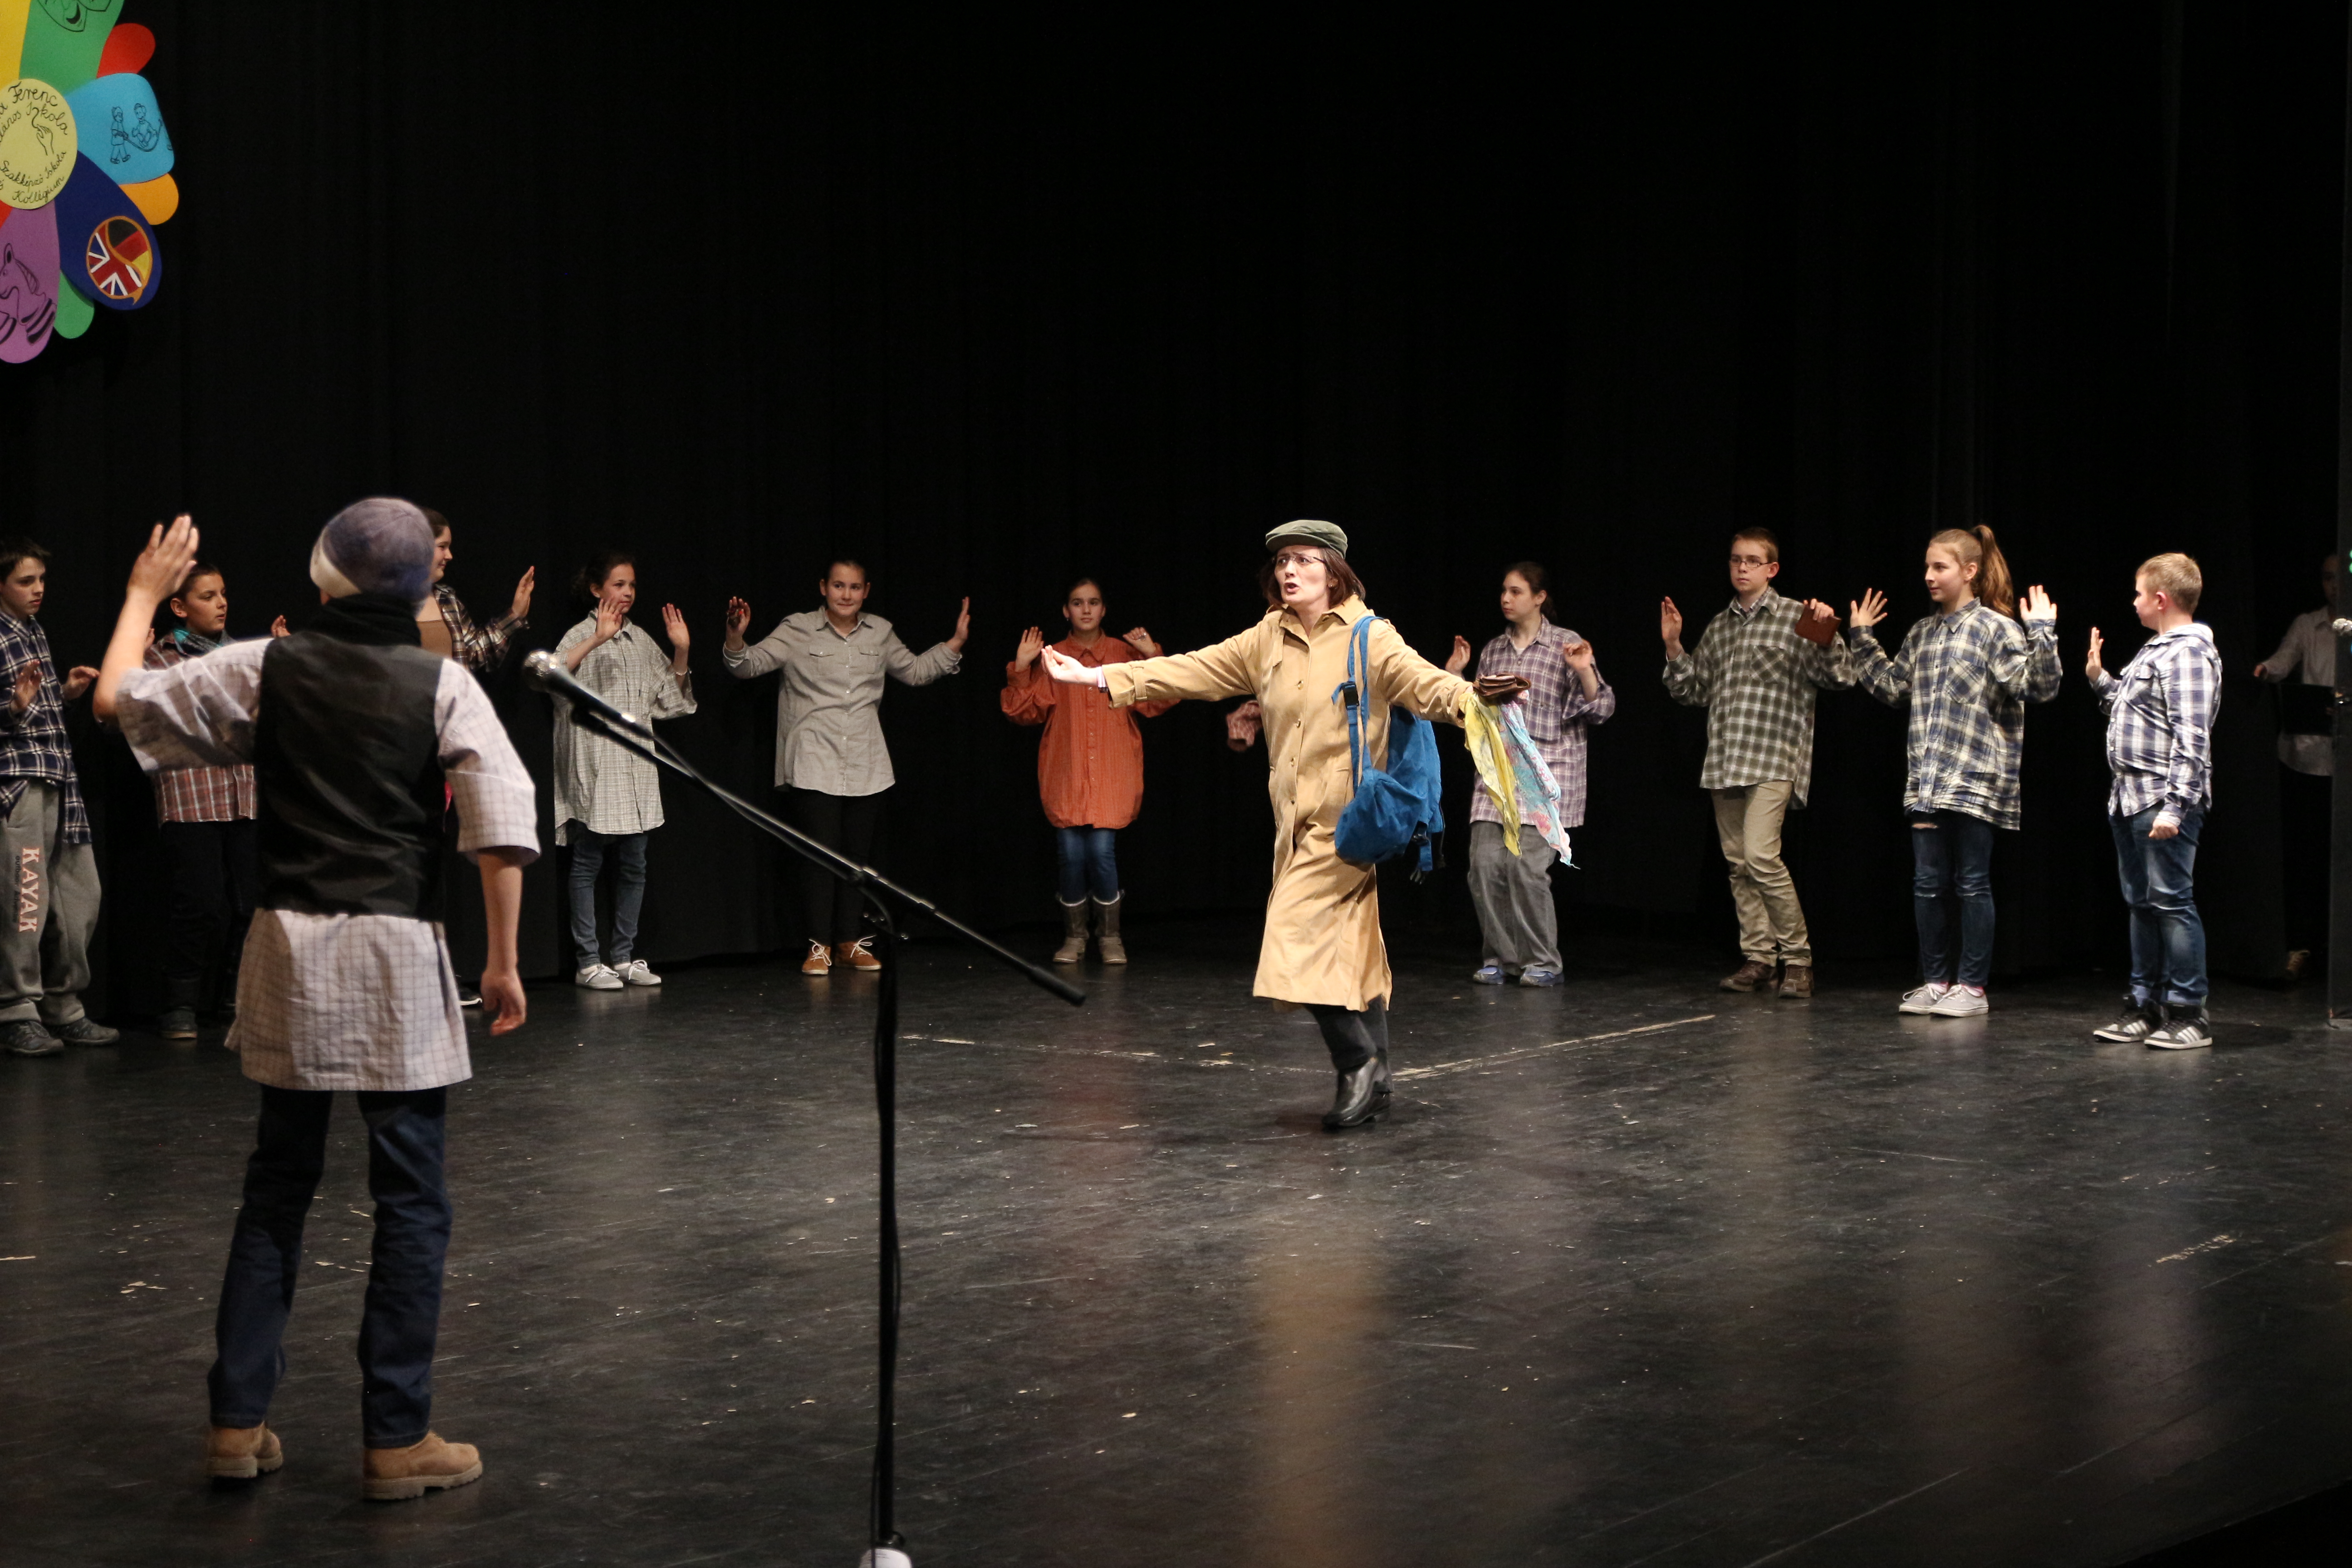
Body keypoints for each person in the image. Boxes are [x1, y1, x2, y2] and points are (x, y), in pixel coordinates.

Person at [94, 502, 536, 1502]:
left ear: (324, 578)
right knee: (411, 1198)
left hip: (291, 946)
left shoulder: (268, 665)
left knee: (278, 1186)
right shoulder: (444, 682)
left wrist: (141, 596)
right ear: (422, 586)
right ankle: (395, 1439)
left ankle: (236, 1421)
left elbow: (119, 699)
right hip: (394, 951)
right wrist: (503, 961)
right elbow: (500, 826)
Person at [1040, 521, 1521, 1130]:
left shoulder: (1369, 636)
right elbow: (1195, 670)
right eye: (1282, 562)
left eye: (1303, 560)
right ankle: (1378, 1082)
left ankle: (1358, 1064)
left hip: (1345, 826)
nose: (1289, 571)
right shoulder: (1269, 636)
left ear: (1334, 571)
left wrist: (1473, 698)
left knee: (1291, 937)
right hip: (1291, 825)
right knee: (1353, 952)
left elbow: (1423, 683)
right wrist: (1096, 677)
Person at [1847, 524, 2062, 1017]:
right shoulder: (1922, 633)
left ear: (1969, 571)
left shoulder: (1995, 629)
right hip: (1928, 780)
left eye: (1939, 567)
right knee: (1927, 884)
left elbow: (2039, 688)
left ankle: (1972, 987)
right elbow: (1893, 688)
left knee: (1972, 883)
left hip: (1976, 780)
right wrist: (1862, 639)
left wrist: (2042, 633)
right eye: (1927, 566)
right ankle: (1935, 981)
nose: (1929, 576)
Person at [720, 560, 969, 975]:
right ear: (824, 587)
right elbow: (745, 665)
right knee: (821, 856)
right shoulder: (798, 628)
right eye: (838, 586)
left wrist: (956, 642)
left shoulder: (880, 632)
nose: (846, 595)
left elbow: (914, 672)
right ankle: (818, 946)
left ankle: (849, 941)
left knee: (856, 859)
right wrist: (735, 635)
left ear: (866, 591)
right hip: (814, 758)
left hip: (866, 762)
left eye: (854, 587)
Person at [1660, 528, 1853, 999]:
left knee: (1762, 856)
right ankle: (1759, 958)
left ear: (1772, 569)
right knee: (1739, 865)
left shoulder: (1795, 616)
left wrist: (1827, 634)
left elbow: (1841, 677)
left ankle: (1799, 961)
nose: (1742, 568)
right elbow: (1693, 691)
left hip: (1773, 756)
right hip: (1726, 759)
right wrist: (1674, 646)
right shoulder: (1720, 627)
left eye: (1751, 561)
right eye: (1735, 560)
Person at [1443, 561, 1613, 987]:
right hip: (1499, 776)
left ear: (1540, 598)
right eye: (1504, 591)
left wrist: (1584, 670)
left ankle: (1542, 961)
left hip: (1546, 775)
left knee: (1524, 869)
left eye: (1517, 592)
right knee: (1484, 866)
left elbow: (1601, 709)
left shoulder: (1566, 643)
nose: (1506, 598)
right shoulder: (1494, 651)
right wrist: (1456, 675)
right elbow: (1473, 715)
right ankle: (1501, 958)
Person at [2085, 553, 2221, 1049]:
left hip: (2161, 798)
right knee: (2142, 904)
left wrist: (2176, 806)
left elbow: (2192, 737)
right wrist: (2100, 679)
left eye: (2140, 593)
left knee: (2171, 902)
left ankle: (2189, 1011)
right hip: (2129, 797)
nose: (2135, 602)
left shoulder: (2188, 653)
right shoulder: (2156, 650)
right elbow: (2136, 714)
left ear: (2161, 599)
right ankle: (2146, 1004)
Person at [1000, 578, 1175, 964]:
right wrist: (1024, 665)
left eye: (1093, 602)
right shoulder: (1054, 656)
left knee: (1100, 851)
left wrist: (1153, 656)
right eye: (1077, 603)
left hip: (1112, 769)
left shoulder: (1122, 654)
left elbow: (1160, 701)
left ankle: (1110, 936)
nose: (1086, 610)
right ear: (1066, 611)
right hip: (1067, 769)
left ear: (1103, 609)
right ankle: (1075, 936)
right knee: (1070, 853)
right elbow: (1022, 712)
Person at [552, 551, 696, 990]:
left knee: (634, 864)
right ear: (597, 589)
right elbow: (551, 678)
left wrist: (681, 650)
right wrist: (598, 639)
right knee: (588, 862)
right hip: (596, 766)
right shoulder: (579, 635)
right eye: (619, 584)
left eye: (632, 585)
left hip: (636, 768)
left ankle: (624, 956)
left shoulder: (640, 640)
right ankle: (588, 961)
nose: (628, 592)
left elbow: (670, 702)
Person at [0, 536, 114, 1057]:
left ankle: (64, 1007)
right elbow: (14, 714)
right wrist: (13, 708)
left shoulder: (34, 631)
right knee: (25, 902)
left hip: (60, 777)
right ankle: (15, 1011)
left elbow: (38, 712)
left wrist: (63, 694)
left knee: (79, 896)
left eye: (41, 579)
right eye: (26, 581)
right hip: (20, 782)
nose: (38, 589)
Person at [417, 508, 533, 1008]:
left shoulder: (446, 600)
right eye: (441, 545)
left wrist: (515, 616)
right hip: (396, 753)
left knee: (434, 862)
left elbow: (476, 655)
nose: (449, 555)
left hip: (441, 752)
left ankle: (438, 973)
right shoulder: (382, 605)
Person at [142, 563, 263, 1041]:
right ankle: (180, 1005)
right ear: (180, 607)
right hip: (191, 796)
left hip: (245, 793)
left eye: (223, 593)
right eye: (208, 596)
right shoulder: (160, 657)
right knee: (199, 903)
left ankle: (235, 1000)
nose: (222, 603)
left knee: (251, 905)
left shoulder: (241, 656)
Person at [2254, 551, 2339, 975]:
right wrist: (2265, 670)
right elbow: (2283, 660)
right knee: (2307, 855)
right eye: (2327, 578)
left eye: (2341, 577)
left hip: (2345, 763)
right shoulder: (2308, 625)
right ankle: (2304, 944)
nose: (2334, 586)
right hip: (2306, 758)